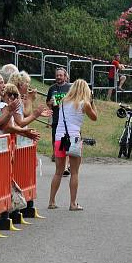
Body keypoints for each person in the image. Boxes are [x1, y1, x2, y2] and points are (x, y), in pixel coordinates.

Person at [48, 79, 96, 211]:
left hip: (60, 137)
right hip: (73, 138)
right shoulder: (84, 103)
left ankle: (51, 201)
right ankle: (73, 203)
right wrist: (92, 101)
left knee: (58, 171)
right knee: (74, 172)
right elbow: (94, 117)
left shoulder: (63, 101)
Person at [46, 68, 71, 162]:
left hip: (67, 117)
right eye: (57, 75)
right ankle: (55, 153)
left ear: (65, 76)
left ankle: (65, 156)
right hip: (56, 116)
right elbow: (47, 103)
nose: (59, 77)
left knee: (66, 136)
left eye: (61, 75)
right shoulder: (52, 88)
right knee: (55, 136)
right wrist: (50, 102)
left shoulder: (70, 87)